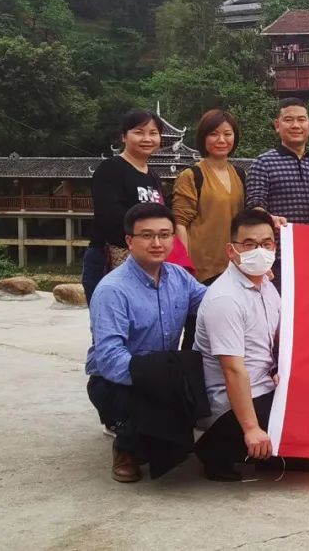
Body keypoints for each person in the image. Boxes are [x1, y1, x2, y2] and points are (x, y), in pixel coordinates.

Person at [194, 209, 309, 481]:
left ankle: (272, 453)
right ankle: (217, 449)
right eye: (249, 244)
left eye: (266, 244)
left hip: (264, 385)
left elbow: (278, 339)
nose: (259, 251)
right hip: (233, 402)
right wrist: (251, 428)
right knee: (308, 409)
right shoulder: (225, 300)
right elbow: (233, 371)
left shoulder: (266, 285)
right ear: (231, 251)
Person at [85, 203, 207, 483]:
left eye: (164, 235)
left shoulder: (179, 277)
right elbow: (110, 360)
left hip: (161, 369)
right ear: (129, 240)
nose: (157, 243)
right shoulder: (113, 290)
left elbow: (213, 304)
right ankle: (125, 447)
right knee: (144, 408)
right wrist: (158, 380)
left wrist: (248, 280)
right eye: (147, 235)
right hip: (117, 381)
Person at [173, 109, 246, 349]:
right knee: (196, 333)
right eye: (214, 134)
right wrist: (186, 268)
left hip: (232, 267)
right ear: (203, 137)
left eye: (227, 134)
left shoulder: (239, 174)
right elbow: (180, 223)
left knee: (230, 333)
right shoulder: (192, 175)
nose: (221, 140)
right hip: (201, 269)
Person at [82, 109, 168, 303]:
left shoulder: (153, 176)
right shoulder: (111, 169)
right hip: (111, 260)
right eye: (139, 132)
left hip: (146, 261)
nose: (147, 138)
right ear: (124, 136)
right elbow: (109, 217)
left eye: (153, 133)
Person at [245, 98, 309, 227]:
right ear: (277, 125)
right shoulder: (263, 163)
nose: (295, 125)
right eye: (288, 120)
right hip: (280, 237)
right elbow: (255, 204)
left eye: (301, 120)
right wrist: (269, 218)